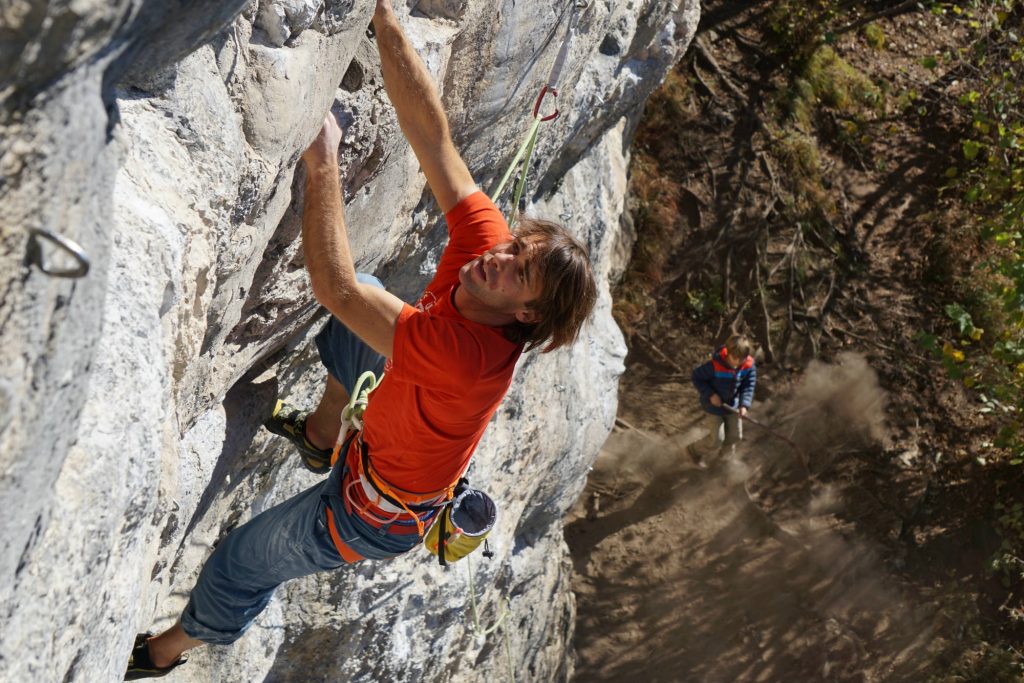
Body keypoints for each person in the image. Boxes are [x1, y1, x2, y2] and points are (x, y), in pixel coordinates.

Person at [124, 1, 597, 679]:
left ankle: (162, 652)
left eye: (518, 269)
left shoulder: (466, 359)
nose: (500, 256)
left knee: (243, 560)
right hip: (381, 437)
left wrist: (324, 164)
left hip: (369, 514)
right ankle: (322, 435)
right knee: (367, 319)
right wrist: (383, 21)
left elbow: (335, 288)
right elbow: (430, 135)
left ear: (524, 315)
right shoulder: (487, 253)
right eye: (516, 247)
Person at [688, 334, 757, 466]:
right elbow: (696, 377)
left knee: (735, 436)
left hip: (733, 406)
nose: (737, 363)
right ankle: (693, 451)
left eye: (741, 359)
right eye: (734, 358)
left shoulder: (748, 366)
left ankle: (724, 462)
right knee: (716, 441)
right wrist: (711, 394)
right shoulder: (714, 365)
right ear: (727, 353)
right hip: (713, 407)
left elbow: (748, 385)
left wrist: (744, 405)